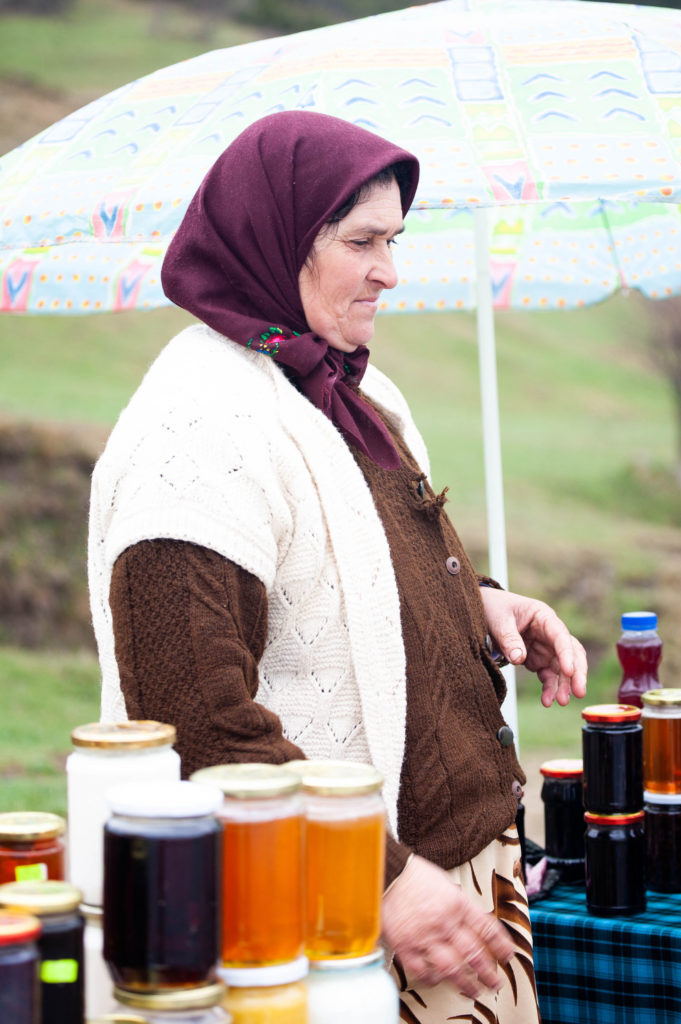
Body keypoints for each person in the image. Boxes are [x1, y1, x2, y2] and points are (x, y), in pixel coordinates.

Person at [88, 110, 587, 1023]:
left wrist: (477, 603)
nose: (389, 271)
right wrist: (382, 880)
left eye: (394, 239)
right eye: (361, 241)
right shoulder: (195, 442)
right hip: (341, 925)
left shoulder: (345, 383)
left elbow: (349, 564)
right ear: (271, 240)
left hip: (453, 883)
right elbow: (194, 726)